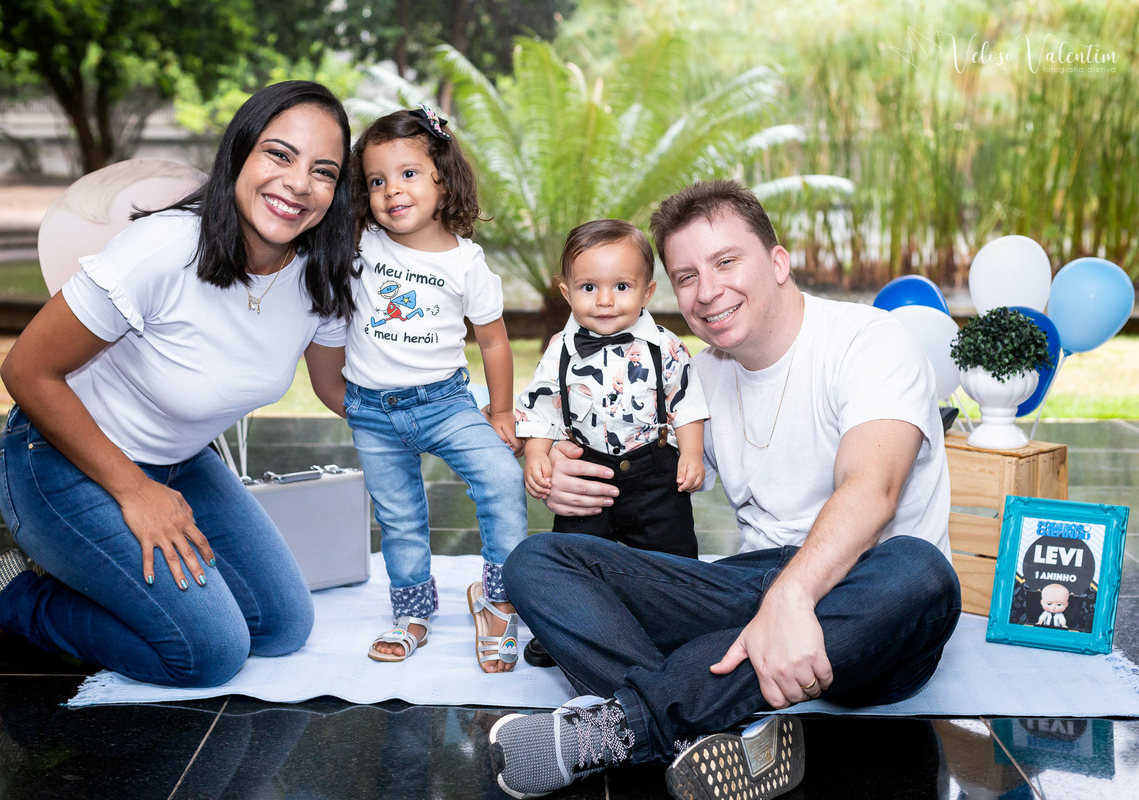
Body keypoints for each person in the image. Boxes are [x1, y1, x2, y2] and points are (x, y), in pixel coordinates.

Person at [488, 180, 962, 800]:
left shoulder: (869, 341)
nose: (707, 291)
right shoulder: (696, 374)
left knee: (919, 572)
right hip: (748, 589)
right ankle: (696, 727)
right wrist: (566, 476)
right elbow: (634, 469)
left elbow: (873, 489)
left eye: (725, 262)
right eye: (686, 276)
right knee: (538, 561)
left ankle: (626, 725)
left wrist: (791, 600)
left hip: (862, 608)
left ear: (778, 261)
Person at [0, 81, 356, 688]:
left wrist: (462, 415)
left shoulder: (318, 274)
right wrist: (135, 491)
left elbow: (338, 390)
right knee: (208, 654)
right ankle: (14, 605)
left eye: (324, 170)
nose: (299, 183)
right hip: (58, 460)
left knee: (280, 626)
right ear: (239, 152)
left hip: (179, 463)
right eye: (279, 154)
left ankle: (98, 572)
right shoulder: (162, 250)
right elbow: (25, 371)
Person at [345, 106, 526, 673]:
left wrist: (499, 412)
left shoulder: (468, 263)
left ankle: (497, 601)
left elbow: (494, 343)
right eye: (377, 180)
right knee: (398, 517)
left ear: (442, 177)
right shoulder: (361, 242)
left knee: (501, 479)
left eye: (408, 174)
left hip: (446, 404)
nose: (391, 191)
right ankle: (413, 613)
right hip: (372, 412)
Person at [514, 219, 709, 668]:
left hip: (654, 470)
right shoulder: (560, 349)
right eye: (588, 287)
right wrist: (538, 454)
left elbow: (686, 402)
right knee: (574, 553)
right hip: (587, 469)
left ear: (647, 292)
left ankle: (680, 623)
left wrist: (692, 453)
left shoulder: (666, 347)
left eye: (621, 286)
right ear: (566, 293)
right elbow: (541, 405)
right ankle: (567, 622)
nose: (604, 300)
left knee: (671, 550)